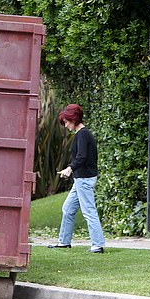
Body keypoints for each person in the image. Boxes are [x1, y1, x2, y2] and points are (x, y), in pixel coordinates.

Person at [48, 104, 106, 253]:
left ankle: (98, 245)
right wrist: (71, 168)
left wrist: (70, 168)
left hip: (84, 179)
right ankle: (64, 242)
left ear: (73, 119)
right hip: (81, 179)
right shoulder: (82, 134)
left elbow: (81, 157)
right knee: (67, 209)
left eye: (66, 121)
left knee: (89, 211)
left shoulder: (83, 134)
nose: (65, 125)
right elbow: (81, 157)